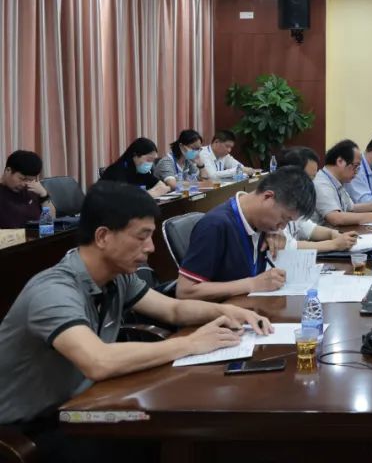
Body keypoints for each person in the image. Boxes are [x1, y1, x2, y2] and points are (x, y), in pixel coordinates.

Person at [0, 181, 270, 462]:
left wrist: (227, 312)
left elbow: (173, 310)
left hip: (83, 405)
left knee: (184, 434)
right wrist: (190, 344)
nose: (151, 247)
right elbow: (99, 360)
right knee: (165, 440)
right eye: (142, 236)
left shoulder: (117, 277)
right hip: (30, 430)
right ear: (103, 236)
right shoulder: (53, 291)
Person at [176, 167, 316, 301]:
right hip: (221, 314)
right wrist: (252, 284)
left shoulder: (262, 225)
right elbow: (185, 291)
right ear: (268, 197)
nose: (282, 227)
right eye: (284, 218)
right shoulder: (215, 225)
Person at [278, 147, 358, 253]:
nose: (312, 184)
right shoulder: (275, 203)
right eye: (309, 178)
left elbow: (308, 228)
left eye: (313, 178)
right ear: (290, 175)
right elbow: (287, 246)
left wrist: (333, 234)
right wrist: (334, 244)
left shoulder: (294, 202)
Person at [316, 140, 372, 228]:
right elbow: (335, 218)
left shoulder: (336, 181)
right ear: (340, 161)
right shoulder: (322, 183)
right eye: (355, 166)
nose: (356, 172)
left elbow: (351, 208)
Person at [100, 138, 170, 198]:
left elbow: (162, 186)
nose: (150, 164)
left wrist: (160, 189)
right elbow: (124, 198)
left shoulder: (142, 171)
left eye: (153, 160)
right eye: (148, 160)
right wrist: (149, 194)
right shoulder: (117, 171)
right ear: (135, 155)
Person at [0, 150, 48, 229]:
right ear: (8, 170)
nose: (24, 184)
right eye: (22, 179)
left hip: (37, 235)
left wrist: (44, 195)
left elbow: (51, 220)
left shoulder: (32, 189)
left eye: (30, 180)